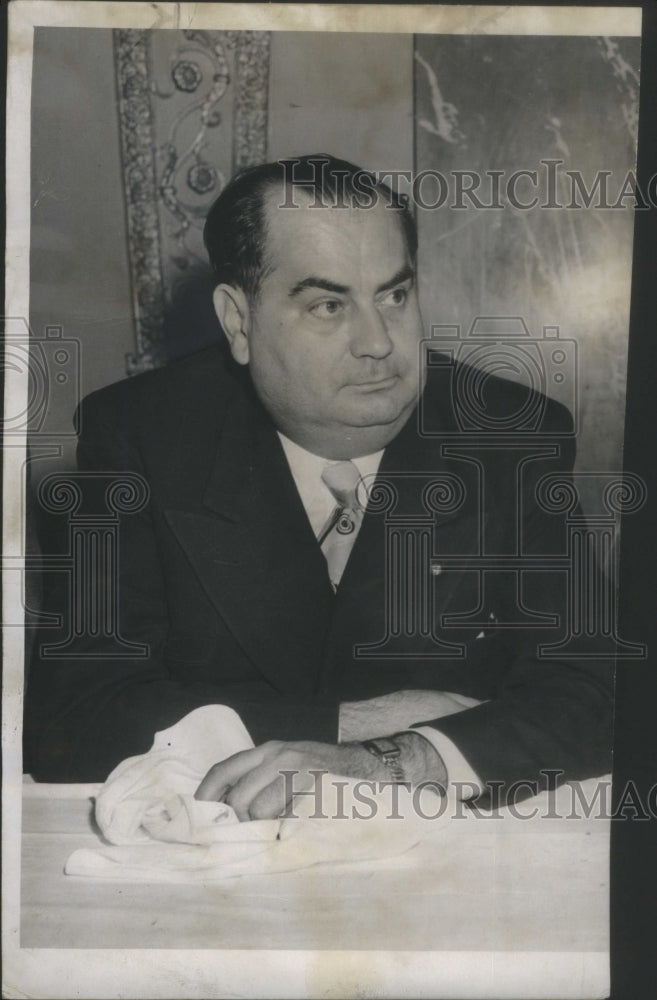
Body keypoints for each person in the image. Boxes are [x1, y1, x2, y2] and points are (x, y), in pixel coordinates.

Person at [25, 155, 612, 818]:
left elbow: (595, 691)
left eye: (393, 296)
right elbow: (72, 722)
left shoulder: (507, 436)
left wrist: (396, 758)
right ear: (238, 322)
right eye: (328, 305)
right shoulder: (138, 436)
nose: (378, 344)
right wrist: (350, 722)